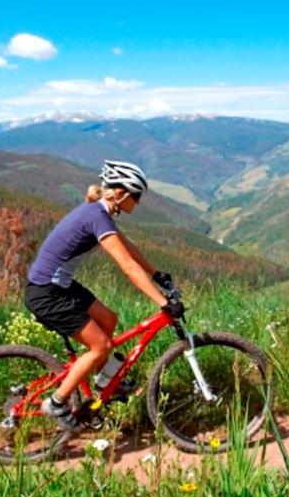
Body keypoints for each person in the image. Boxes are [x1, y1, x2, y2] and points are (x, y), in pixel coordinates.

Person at [24, 160, 180, 430]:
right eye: (137, 196)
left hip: (59, 285)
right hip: (46, 293)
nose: (139, 203)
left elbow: (128, 247)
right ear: (120, 194)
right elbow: (128, 267)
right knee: (101, 346)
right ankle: (57, 402)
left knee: (108, 320)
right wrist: (164, 303)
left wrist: (156, 275)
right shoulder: (96, 215)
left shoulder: (100, 213)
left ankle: (105, 383)